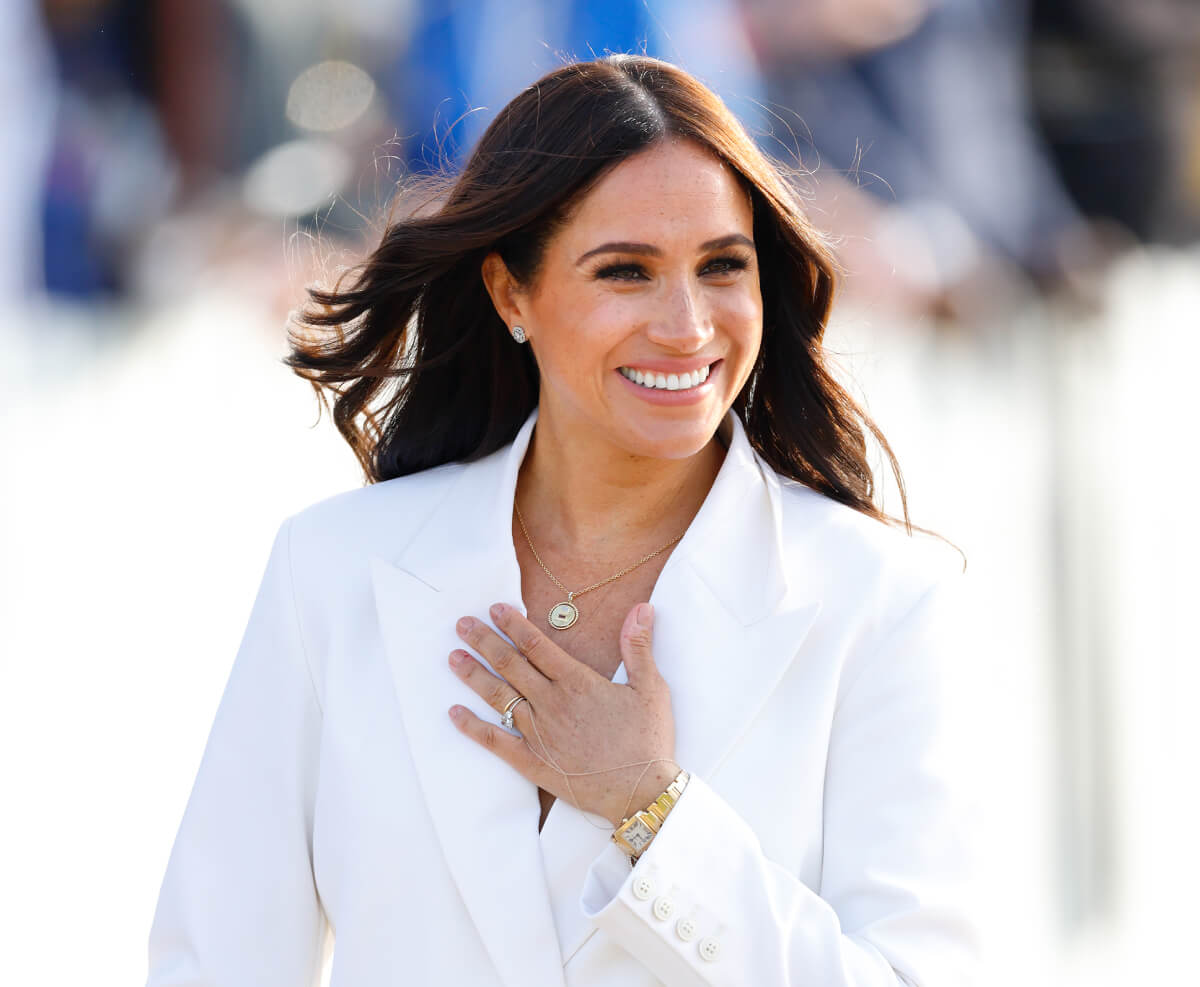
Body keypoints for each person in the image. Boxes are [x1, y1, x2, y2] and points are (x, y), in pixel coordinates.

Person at [146, 55, 981, 986]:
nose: (687, 325)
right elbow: (218, 957)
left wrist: (650, 810)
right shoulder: (332, 570)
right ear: (511, 293)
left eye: (722, 267)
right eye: (625, 272)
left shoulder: (880, 599)